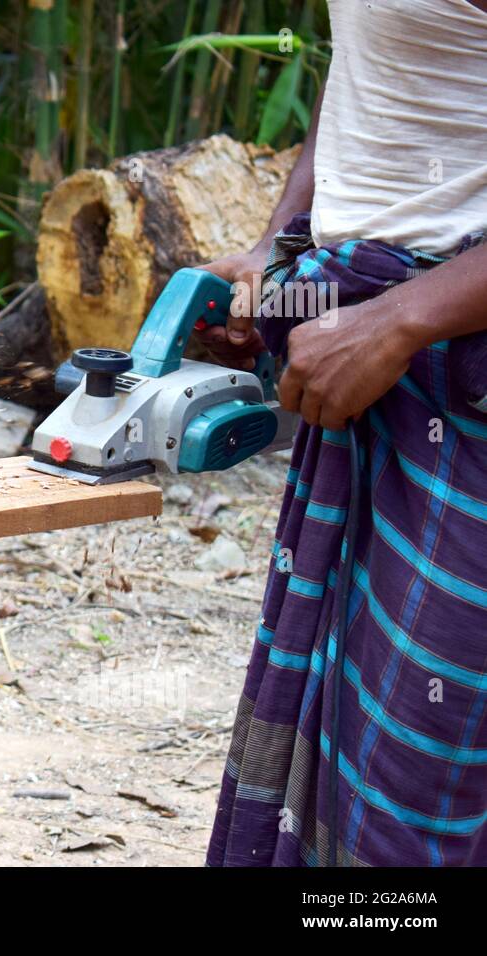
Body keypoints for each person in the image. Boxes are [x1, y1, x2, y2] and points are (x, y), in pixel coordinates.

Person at [199, 0, 487, 866]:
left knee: (427, 775)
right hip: (382, 357)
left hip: (459, 376)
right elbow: (373, 68)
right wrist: (279, 244)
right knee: (359, 751)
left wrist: (400, 321)